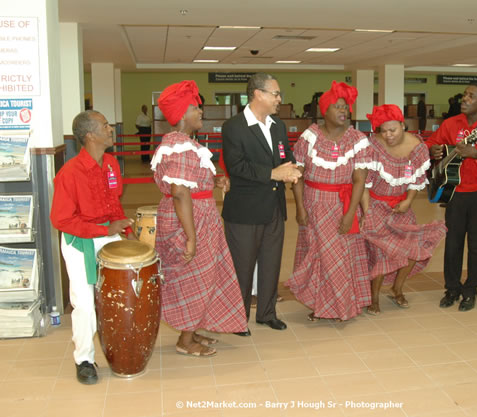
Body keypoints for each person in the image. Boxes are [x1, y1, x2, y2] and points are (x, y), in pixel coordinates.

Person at [151, 80, 247, 355]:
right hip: (190, 221)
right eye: (196, 107)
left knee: (201, 277)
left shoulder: (185, 145)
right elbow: (180, 192)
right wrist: (191, 238)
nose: (201, 111)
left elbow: (189, 183)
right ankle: (185, 340)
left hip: (198, 216)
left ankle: (191, 330)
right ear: (182, 114)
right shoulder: (180, 147)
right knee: (192, 277)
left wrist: (214, 181)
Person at [50, 110, 137, 385]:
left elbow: (114, 204)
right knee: (86, 304)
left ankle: (120, 347)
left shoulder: (111, 163)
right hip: (80, 242)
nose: (111, 129)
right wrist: (103, 231)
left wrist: (127, 232)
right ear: (90, 136)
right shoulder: (69, 173)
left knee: (120, 295)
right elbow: (62, 220)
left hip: (108, 235)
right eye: (105, 125)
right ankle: (84, 359)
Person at [221, 73, 301, 336]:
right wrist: (272, 173)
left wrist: (291, 169)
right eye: (275, 94)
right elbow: (237, 166)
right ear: (258, 94)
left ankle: (267, 313)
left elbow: (284, 156)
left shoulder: (277, 126)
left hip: (274, 207)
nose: (279, 99)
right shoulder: (234, 126)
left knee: (271, 263)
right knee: (242, 267)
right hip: (245, 210)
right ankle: (236, 319)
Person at [286, 81, 371, 321]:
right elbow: (297, 176)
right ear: (325, 111)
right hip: (313, 204)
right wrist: (300, 208)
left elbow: (359, 180)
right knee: (317, 257)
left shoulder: (358, 139)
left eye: (346, 107)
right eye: (337, 107)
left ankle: (340, 305)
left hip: (342, 204)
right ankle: (321, 305)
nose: (343, 111)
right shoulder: (310, 137)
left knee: (338, 258)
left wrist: (350, 214)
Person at [362, 105, 447, 315]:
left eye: (393, 130)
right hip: (376, 205)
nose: (388, 135)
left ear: (402, 125)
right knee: (382, 252)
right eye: (384, 131)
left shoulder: (417, 147)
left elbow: (416, 180)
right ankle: (373, 297)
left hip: (401, 206)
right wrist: (367, 212)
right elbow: (363, 183)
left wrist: (409, 201)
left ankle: (397, 288)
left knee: (413, 249)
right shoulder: (373, 146)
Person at [425, 83, 477, 312]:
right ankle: (452, 288)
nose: (465, 99)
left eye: (471, 96)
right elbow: (431, 143)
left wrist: (476, 154)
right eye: (465, 95)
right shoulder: (451, 123)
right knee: (453, 245)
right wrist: (433, 150)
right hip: (455, 193)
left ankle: (471, 290)